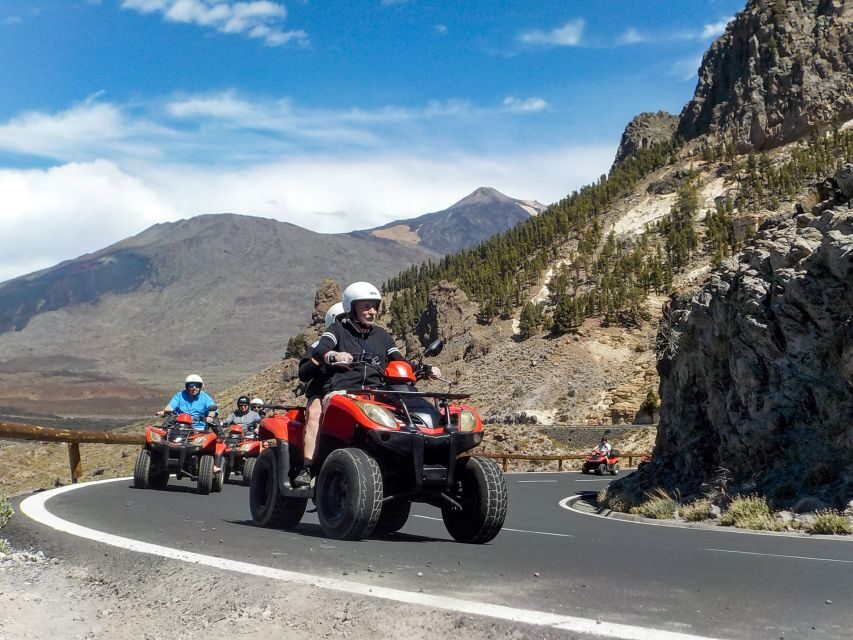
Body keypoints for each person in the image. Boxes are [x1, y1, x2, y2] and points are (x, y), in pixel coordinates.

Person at [292, 282, 441, 487]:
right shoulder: (337, 330)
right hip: (343, 392)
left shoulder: (382, 336)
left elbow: (398, 360)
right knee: (315, 413)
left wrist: (423, 368)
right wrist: (333, 355)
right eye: (366, 306)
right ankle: (307, 468)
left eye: (375, 307)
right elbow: (321, 350)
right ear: (351, 308)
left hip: (377, 392)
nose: (372, 311)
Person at [295, 302, 345, 487]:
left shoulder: (362, 342)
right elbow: (304, 371)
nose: (347, 322)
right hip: (323, 390)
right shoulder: (320, 344)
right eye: (342, 319)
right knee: (314, 414)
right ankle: (307, 468)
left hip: (354, 391)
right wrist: (321, 357)